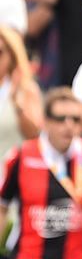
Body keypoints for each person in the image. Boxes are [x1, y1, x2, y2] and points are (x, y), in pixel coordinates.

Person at [0, 87, 82, 259]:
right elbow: (2, 208)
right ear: (45, 122)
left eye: (75, 119)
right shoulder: (21, 156)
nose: (69, 125)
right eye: (60, 118)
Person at [0, 27, 43, 160]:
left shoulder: (26, 89)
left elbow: (35, 134)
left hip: (13, 174)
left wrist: (17, 105)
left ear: (12, 55)